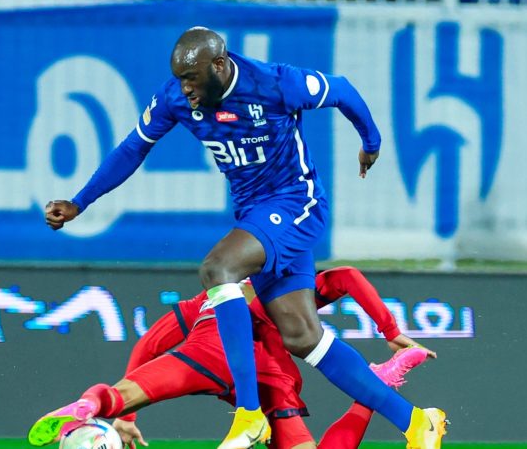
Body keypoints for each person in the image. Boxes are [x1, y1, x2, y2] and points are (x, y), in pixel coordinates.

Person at [44, 27, 446, 448]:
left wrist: (372, 142)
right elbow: (132, 149)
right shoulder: (175, 99)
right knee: (304, 337)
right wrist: (79, 202)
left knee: (219, 269)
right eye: (180, 79)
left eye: (193, 78)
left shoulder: (275, 82)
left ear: (219, 65)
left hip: (296, 203)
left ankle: (249, 414)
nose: (186, 88)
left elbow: (343, 91)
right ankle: (417, 423)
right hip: (257, 215)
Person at [27, 267, 436, 449]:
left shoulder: (206, 299)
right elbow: (346, 276)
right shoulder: (282, 289)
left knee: (123, 394)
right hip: (268, 382)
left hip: (198, 357)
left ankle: (90, 406)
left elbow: (149, 343)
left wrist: (127, 417)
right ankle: (374, 387)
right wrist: (389, 331)